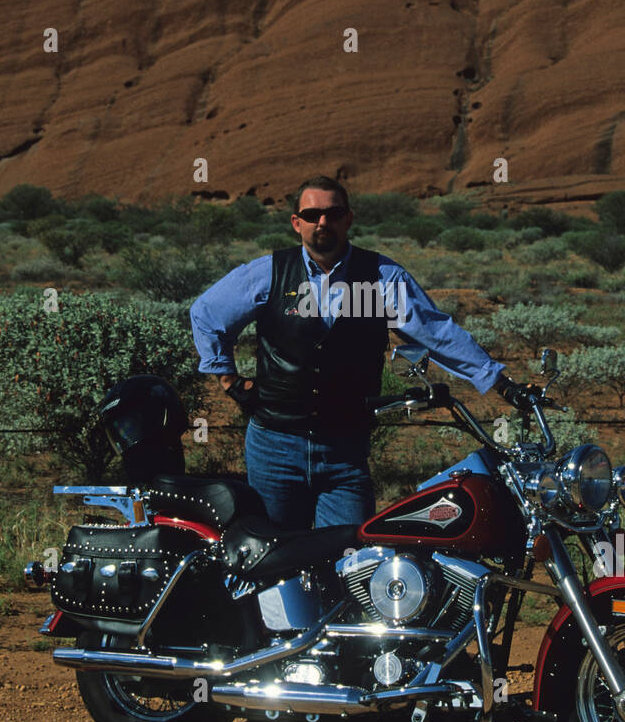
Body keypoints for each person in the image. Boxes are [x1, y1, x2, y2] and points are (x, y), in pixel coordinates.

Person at [190, 175, 517, 530]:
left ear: (348, 219)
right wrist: (228, 380)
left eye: (333, 213)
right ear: (296, 223)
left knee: (348, 558)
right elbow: (207, 314)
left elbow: (437, 333)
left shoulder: (382, 276)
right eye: (312, 214)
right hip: (274, 447)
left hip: (345, 449)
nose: (323, 223)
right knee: (275, 558)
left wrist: (497, 380)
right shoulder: (269, 272)